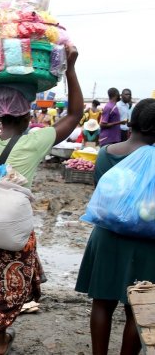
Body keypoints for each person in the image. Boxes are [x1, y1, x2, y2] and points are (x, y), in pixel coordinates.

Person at [0, 45, 82, 355]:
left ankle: (2, 341)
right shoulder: (37, 141)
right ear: (27, 110)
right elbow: (76, 113)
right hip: (13, 235)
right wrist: (72, 68)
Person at [75, 98, 155, 355]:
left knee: (102, 302)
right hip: (146, 243)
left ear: (131, 122)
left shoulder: (105, 153)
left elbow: (103, 194)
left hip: (107, 237)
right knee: (136, 308)